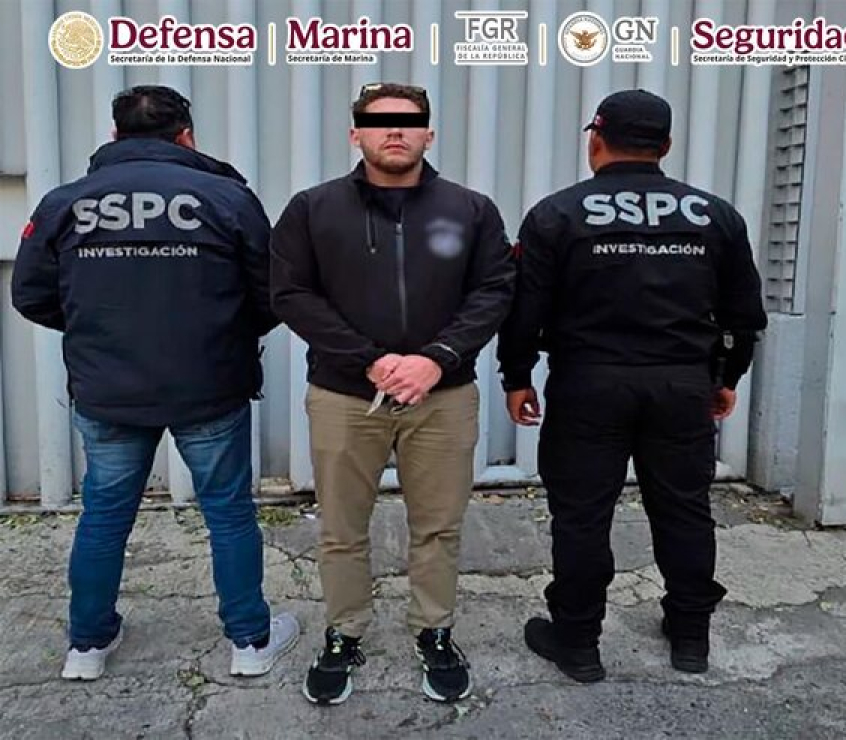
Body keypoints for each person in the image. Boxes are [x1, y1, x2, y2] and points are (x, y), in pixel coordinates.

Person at [11, 85, 299, 681]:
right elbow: (272, 295)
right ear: (186, 136)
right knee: (228, 514)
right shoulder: (227, 197)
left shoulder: (66, 201)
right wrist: (219, 333)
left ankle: (87, 647)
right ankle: (249, 641)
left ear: (115, 135)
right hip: (209, 386)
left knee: (104, 516)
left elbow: (31, 295)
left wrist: (100, 330)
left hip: (109, 389)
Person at [498, 89, 767, 681]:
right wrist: (725, 377)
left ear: (596, 140)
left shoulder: (557, 214)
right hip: (680, 386)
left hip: (588, 387)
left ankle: (577, 643)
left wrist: (516, 377)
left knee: (582, 515)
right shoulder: (715, 216)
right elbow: (743, 315)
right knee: (684, 510)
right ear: (665, 146)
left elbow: (523, 310)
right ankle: (690, 637)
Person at [271, 82, 515, 705]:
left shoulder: (471, 210)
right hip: (346, 397)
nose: (395, 132)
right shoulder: (313, 209)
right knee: (341, 528)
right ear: (356, 133)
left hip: (443, 397)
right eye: (379, 122)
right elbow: (292, 294)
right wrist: (372, 361)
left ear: (429, 133)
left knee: (438, 526)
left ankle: (434, 630)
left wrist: (437, 359)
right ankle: (344, 632)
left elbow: (494, 290)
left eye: (409, 122)